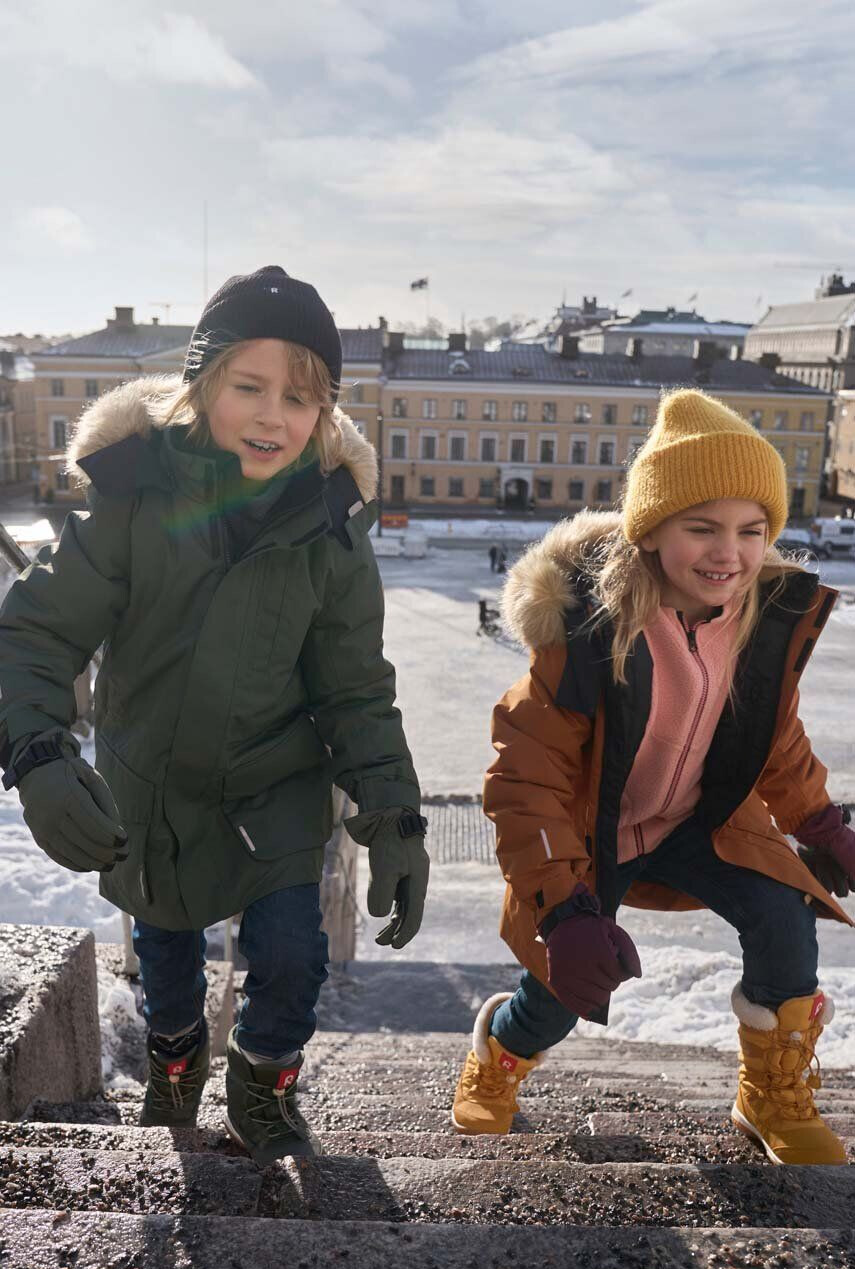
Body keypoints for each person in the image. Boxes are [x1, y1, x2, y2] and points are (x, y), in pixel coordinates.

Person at [0, 266, 430, 1164]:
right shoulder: (130, 505)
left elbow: (354, 683)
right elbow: (34, 635)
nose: (275, 416)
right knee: (166, 960)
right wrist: (38, 754)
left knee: (290, 957)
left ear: (327, 414)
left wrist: (391, 812)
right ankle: (174, 1060)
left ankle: (262, 1082)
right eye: (250, 387)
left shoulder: (330, 531)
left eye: (303, 398)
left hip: (273, 784)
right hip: (148, 791)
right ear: (201, 386)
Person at [452, 388, 855, 1166]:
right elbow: (524, 779)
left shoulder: (758, 622)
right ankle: (499, 1053)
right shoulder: (588, 631)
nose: (727, 553)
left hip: (699, 822)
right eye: (699, 527)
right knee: (559, 994)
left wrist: (821, 826)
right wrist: (565, 912)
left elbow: (776, 741)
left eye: (750, 530)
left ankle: (767, 1093)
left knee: (784, 921)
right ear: (650, 533)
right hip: (589, 832)